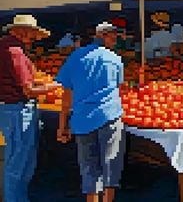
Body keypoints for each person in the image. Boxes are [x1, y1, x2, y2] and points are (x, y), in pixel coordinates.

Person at [55, 22, 126, 202]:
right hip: (109, 116)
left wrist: (63, 124)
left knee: (89, 167)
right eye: (112, 35)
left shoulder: (73, 58)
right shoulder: (115, 59)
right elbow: (120, 89)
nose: (115, 39)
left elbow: (66, 95)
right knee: (111, 164)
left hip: (82, 120)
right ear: (100, 35)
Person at [0, 15, 58, 202]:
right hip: (17, 110)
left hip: (10, 109)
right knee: (19, 164)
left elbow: (18, 82)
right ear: (22, 31)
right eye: (32, 35)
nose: (33, 40)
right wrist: (54, 86)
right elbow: (29, 90)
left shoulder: (5, 47)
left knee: (17, 162)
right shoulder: (14, 51)